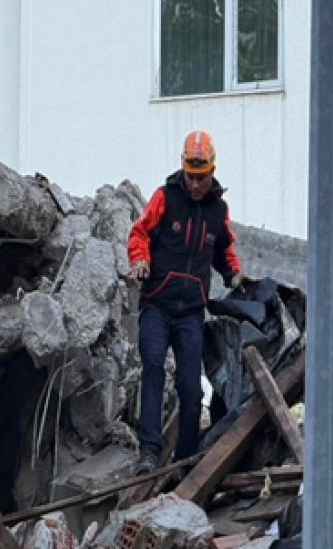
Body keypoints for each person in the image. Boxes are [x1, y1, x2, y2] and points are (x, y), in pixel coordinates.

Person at [127, 130, 251, 475]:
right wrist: (139, 260)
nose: (195, 184)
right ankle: (148, 453)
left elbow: (224, 250)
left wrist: (235, 276)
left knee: (191, 389)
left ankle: (184, 461)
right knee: (152, 365)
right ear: (183, 169)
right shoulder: (165, 197)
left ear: (212, 171)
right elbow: (139, 232)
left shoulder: (218, 210)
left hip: (191, 313)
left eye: (202, 177)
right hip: (157, 304)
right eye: (191, 177)